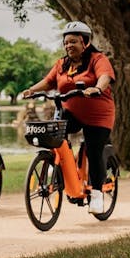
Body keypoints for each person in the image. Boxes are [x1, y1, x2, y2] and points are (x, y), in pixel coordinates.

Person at [22, 21, 116, 214]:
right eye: (66, 42)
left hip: (98, 115)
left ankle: (97, 195)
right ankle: (56, 163)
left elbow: (105, 77)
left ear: (85, 42)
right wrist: (32, 90)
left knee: (93, 151)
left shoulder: (98, 59)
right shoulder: (62, 64)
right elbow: (49, 82)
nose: (68, 46)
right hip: (72, 112)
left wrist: (97, 88)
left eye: (73, 42)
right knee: (54, 133)